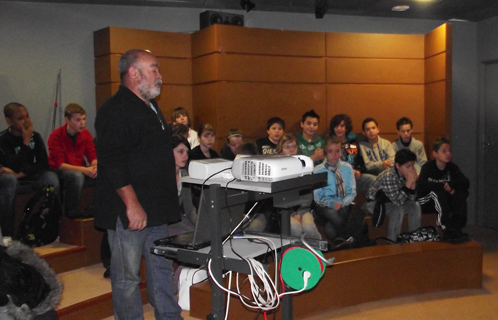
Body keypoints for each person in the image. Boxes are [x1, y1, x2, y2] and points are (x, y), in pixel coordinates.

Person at [94, 49, 183, 320]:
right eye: (153, 69)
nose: (160, 75)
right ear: (134, 73)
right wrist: (132, 205)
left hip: (156, 208)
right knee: (127, 278)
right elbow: (112, 161)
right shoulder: (114, 110)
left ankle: (169, 316)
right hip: (129, 211)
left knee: (161, 270)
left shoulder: (151, 105)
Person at [0, 102, 60, 238]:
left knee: (51, 177)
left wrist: (21, 174)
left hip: (29, 178)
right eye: (20, 118)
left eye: (27, 116)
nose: (26, 121)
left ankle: (55, 227)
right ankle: (7, 235)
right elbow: (13, 165)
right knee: (8, 180)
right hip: (13, 184)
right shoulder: (3, 140)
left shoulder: (35, 137)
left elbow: (43, 164)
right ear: (8, 121)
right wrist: (25, 143)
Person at [48, 103, 97, 218]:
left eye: (84, 119)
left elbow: (92, 155)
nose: (83, 123)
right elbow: (60, 164)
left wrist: (95, 166)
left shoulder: (85, 134)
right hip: (59, 171)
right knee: (76, 176)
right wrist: (84, 170)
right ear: (67, 119)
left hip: (79, 168)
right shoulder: (55, 136)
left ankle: (94, 207)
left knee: (103, 172)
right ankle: (71, 212)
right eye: (78, 120)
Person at [417, 137, 469, 237]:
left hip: (445, 199)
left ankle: (457, 226)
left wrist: (451, 186)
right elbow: (422, 185)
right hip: (427, 201)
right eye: (444, 151)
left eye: (449, 151)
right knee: (438, 194)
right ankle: (445, 228)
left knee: (462, 194)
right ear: (435, 154)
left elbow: (465, 182)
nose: (448, 154)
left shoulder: (452, 167)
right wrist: (442, 186)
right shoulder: (428, 167)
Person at [366, 149, 421, 242]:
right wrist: (408, 183)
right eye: (408, 166)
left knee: (415, 205)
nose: (411, 169)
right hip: (376, 203)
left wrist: (413, 185)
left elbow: (411, 199)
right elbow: (398, 202)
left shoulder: (406, 174)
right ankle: (392, 241)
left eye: (412, 165)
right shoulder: (389, 176)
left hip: (393, 199)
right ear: (398, 166)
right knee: (397, 209)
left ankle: (414, 237)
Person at [278, 134, 321, 239]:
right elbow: (278, 196)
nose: (291, 150)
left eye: (294, 146)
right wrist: (293, 211)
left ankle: (317, 252)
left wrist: (298, 210)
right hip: (283, 211)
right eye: (287, 147)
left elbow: (307, 194)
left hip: (303, 208)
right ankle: (295, 253)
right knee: (295, 227)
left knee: (309, 228)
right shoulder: (277, 169)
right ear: (280, 150)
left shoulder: (304, 167)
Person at [313, 137, 357, 242]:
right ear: (325, 153)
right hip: (324, 205)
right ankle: (348, 238)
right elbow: (318, 196)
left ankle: (339, 247)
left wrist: (341, 202)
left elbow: (352, 192)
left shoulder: (347, 168)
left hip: (343, 202)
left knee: (330, 229)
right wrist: (332, 203)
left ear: (341, 152)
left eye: (337, 151)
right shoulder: (318, 170)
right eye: (330, 151)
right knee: (332, 213)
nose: (334, 155)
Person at [329, 114, 375, 191]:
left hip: (354, 176)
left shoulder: (352, 144)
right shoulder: (330, 144)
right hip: (337, 178)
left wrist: (358, 171)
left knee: (373, 180)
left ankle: (371, 203)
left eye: (342, 126)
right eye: (336, 126)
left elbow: (359, 162)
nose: (339, 129)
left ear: (346, 128)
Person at [168, 134, 196, 237]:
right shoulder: (162, 176)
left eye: (187, 153)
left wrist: (201, 227)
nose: (185, 156)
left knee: (197, 234)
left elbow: (189, 209)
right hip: (162, 224)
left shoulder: (184, 175)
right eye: (180, 152)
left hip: (177, 220)